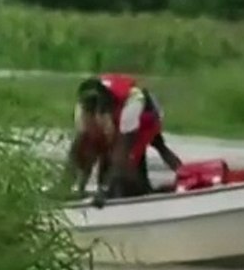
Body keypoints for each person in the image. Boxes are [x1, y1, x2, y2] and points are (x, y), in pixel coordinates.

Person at [68, 74, 182, 205]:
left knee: (123, 167)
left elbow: (121, 154)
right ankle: (114, 188)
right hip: (116, 115)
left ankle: (173, 181)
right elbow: (79, 151)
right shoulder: (83, 108)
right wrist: (70, 187)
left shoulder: (132, 105)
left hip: (146, 118)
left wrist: (105, 190)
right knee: (93, 147)